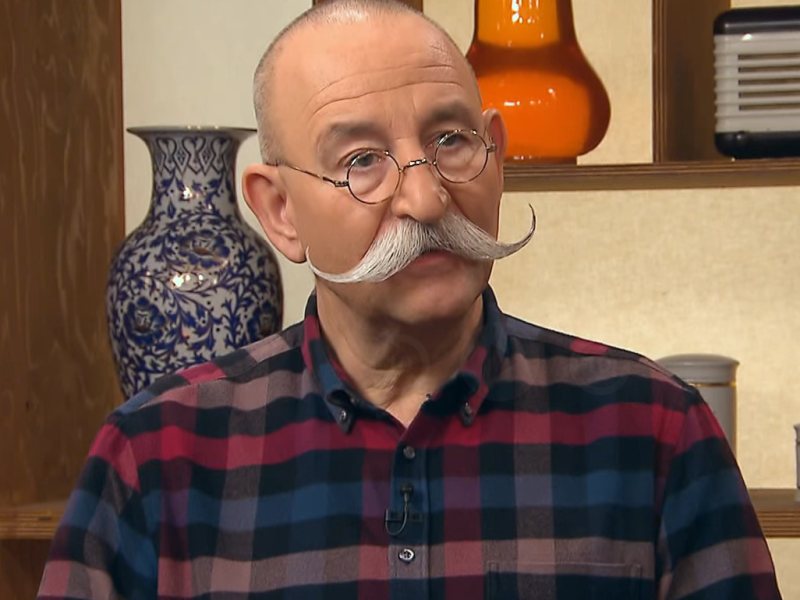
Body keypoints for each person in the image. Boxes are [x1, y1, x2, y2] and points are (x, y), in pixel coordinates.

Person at [38, 1, 781, 598]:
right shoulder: (157, 456)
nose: (426, 200)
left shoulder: (656, 433)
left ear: (496, 154)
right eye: (363, 160)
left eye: (451, 140)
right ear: (280, 212)